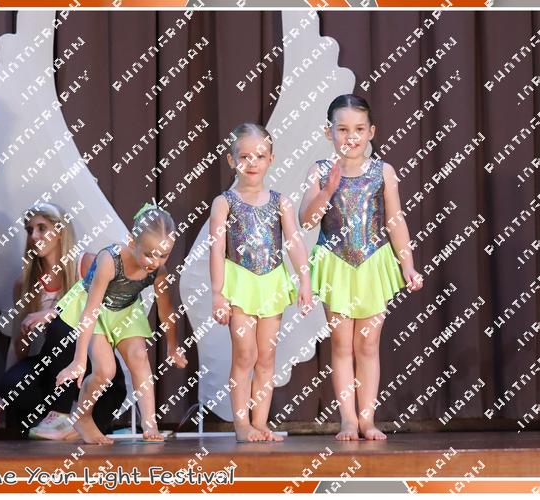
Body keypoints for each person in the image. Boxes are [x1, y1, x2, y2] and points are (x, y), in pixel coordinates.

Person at [299, 94, 424, 441]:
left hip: (372, 264)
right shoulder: (319, 171)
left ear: (371, 132)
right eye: (342, 129)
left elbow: (395, 220)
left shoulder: (383, 172)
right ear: (329, 132)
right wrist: (327, 191)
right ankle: (348, 420)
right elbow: (306, 220)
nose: (350, 137)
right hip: (336, 263)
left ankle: (367, 419)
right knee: (341, 345)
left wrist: (408, 265)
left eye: (358, 129)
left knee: (368, 346)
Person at [0, 203, 125, 440]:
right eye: (30, 230)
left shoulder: (87, 265)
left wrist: (53, 312)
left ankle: (66, 415)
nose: (34, 236)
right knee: (11, 384)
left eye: (42, 228)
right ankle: (55, 422)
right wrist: (2, 397)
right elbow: (18, 347)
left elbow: (107, 316)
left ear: (60, 231)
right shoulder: (24, 283)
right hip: (53, 371)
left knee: (61, 327)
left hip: (93, 369)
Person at [209, 123, 313, 442]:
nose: (252, 163)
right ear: (231, 160)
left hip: (271, 284)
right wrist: (217, 294)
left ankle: (260, 422)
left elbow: (293, 241)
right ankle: (242, 424)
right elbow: (216, 249)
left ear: (271, 159)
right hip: (240, 284)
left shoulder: (280, 201)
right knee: (245, 354)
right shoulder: (224, 202)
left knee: (266, 357)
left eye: (260, 156)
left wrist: (305, 281)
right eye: (244, 156)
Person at [55, 203, 188, 444]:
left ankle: (150, 423)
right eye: (149, 254)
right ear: (132, 241)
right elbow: (91, 309)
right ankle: (83, 416)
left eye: (163, 255)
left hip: (126, 309)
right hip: (95, 309)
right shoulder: (110, 260)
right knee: (105, 370)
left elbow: (166, 310)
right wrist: (79, 359)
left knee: (139, 356)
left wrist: (172, 345)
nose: (155, 261)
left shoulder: (158, 271)